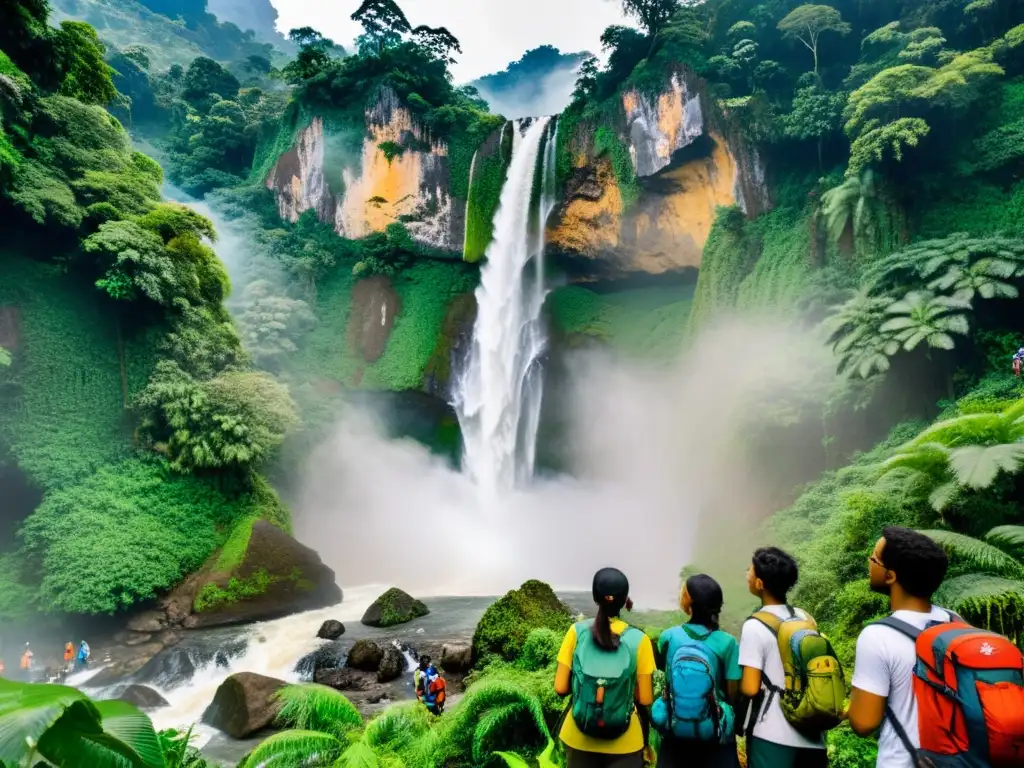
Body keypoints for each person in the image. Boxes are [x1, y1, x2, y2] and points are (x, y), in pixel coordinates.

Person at [847, 527, 952, 767]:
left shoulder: (878, 635)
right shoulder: (954, 620)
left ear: (890, 576)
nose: (869, 562)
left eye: (874, 558)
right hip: (958, 759)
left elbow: (864, 723)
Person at [554, 567, 655, 768]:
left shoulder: (576, 632)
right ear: (625, 600)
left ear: (595, 597)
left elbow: (560, 688)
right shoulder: (640, 640)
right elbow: (645, 698)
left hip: (578, 738)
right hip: (626, 742)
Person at [738, 547, 828, 768]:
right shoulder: (805, 617)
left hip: (772, 733)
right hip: (813, 733)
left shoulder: (754, 626)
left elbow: (750, 688)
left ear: (760, 584)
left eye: (750, 570)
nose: (746, 573)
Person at [654, 574, 741, 768]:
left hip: (675, 730)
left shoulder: (668, 637)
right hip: (715, 734)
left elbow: (668, 678)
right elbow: (732, 694)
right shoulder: (728, 642)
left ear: (690, 601)